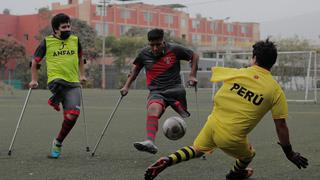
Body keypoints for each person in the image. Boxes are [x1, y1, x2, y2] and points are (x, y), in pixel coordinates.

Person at [144, 39, 308, 180]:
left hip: (213, 123)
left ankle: (168, 159)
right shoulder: (275, 90)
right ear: (272, 63)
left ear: (254, 58)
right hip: (232, 136)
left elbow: (217, 83)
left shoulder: (236, 73)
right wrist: (289, 153)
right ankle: (235, 174)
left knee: (197, 149)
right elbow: (281, 126)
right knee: (249, 154)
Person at [120, 28, 199, 154]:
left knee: (182, 110)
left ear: (163, 42)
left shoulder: (175, 49)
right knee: (152, 109)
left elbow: (194, 55)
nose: (155, 48)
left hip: (175, 89)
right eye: (152, 45)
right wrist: (126, 86)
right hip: (157, 91)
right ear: (148, 44)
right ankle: (150, 142)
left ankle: (178, 106)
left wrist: (192, 75)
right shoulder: (144, 54)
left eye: (158, 44)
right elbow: (135, 69)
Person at [29, 13, 86, 158]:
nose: (67, 29)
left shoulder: (75, 40)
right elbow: (35, 61)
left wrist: (82, 75)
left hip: (73, 83)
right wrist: (34, 79)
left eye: (68, 26)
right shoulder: (46, 42)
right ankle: (56, 97)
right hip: (56, 80)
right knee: (59, 82)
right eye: (64, 27)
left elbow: (81, 58)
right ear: (55, 30)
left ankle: (58, 142)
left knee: (72, 116)